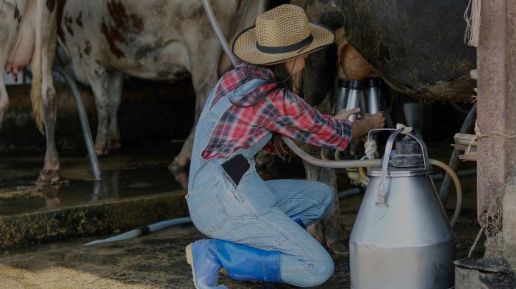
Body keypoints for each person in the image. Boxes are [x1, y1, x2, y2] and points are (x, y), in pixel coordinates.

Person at [185, 4, 385, 288]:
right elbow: (328, 134)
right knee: (317, 268)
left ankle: (255, 253)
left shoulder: (238, 76)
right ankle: (216, 254)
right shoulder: (274, 98)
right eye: (303, 52)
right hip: (223, 200)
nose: (307, 55)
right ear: (289, 58)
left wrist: (331, 121)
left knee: (320, 198)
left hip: (222, 186)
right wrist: (371, 124)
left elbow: (301, 124)